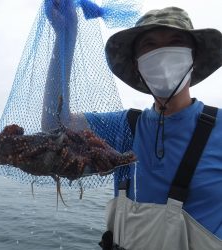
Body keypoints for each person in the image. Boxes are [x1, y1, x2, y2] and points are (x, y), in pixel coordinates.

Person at [45, 3, 222, 249]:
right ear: (137, 65)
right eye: (149, 45)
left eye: (175, 40)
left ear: (194, 57)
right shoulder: (123, 127)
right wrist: (66, 36)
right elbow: (55, 125)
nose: (163, 53)